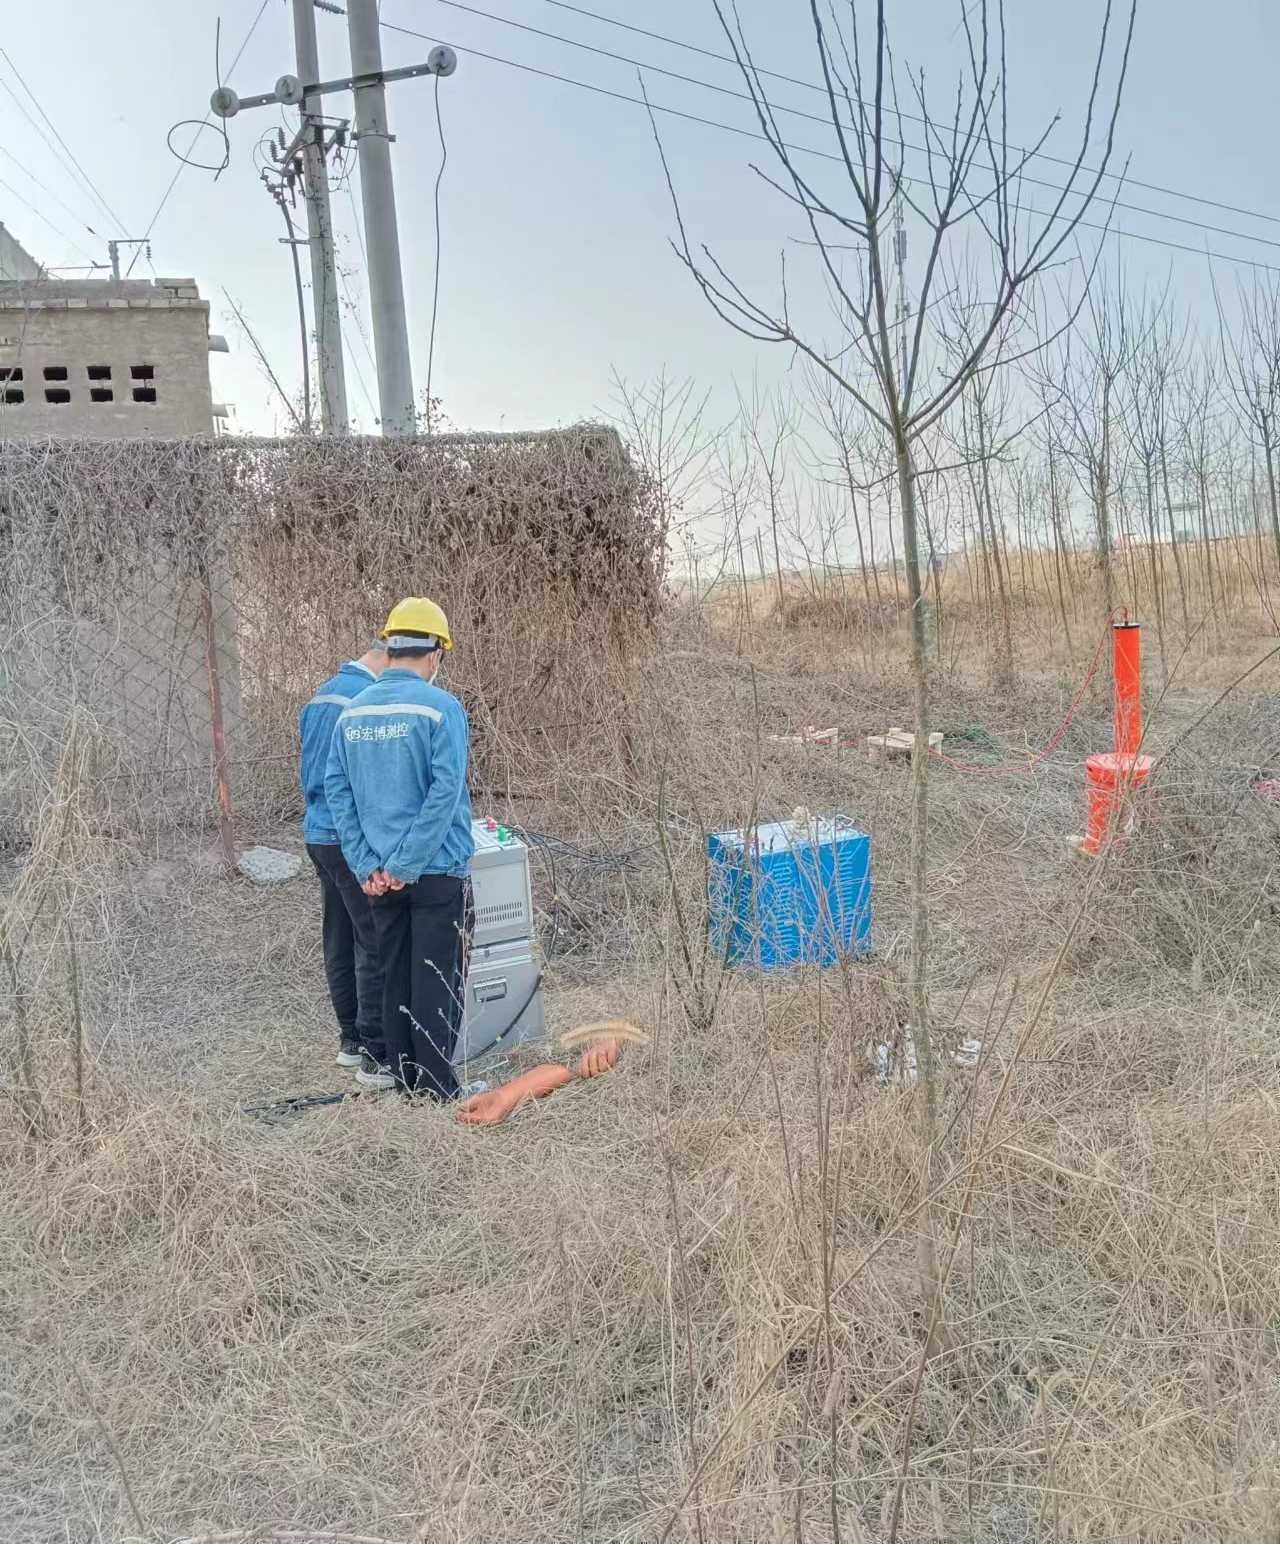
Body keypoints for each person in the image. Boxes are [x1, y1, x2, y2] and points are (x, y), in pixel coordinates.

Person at [324, 597, 476, 1099]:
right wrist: (408, 865)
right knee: (434, 976)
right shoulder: (442, 709)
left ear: (389, 648)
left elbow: (338, 793)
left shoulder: (353, 712)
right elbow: (444, 793)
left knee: (393, 976)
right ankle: (435, 1088)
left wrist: (371, 864)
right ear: (434, 654)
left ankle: (403, 1077)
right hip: (433, 872)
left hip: (377, 877)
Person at [300, 640, 388, 1069]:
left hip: (317, 833)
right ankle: (375, 1051)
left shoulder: (323, 694)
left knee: (338, 935)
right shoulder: (365, 700)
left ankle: (349, 1040)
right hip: (347, 837)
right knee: (372, 939)